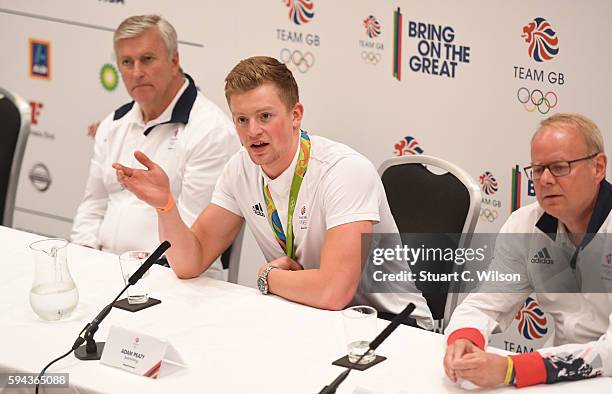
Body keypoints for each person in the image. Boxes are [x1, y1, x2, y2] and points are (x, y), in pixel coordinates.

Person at [113, 55, 433, 327]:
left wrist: (269, 277)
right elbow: (189, 262)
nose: (253, 131)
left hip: (391, 325)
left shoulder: (344, 171)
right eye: (242, 119)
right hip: (312, 317)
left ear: (295, 115)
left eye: (265, 116)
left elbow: (334, 292)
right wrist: (165, 205)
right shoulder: (240, 168)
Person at [443, 113, 611, 387]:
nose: (544, 180)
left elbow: (610, 354)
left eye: (559, 167)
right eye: (537, 169)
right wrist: (464, 339)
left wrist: (514, 369)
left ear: (598, 167)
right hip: (557, 374)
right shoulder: (526, 224)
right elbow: (484, 305)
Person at [71, 15, 239, 278]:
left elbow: (193, 241)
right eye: (127, 62)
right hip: (105, 271)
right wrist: (84, 261)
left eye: (147, 59)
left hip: (173, 281)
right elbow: (92, 207)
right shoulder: (113, 125)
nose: (137, 72)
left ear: (174, 61)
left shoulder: (210, 132)